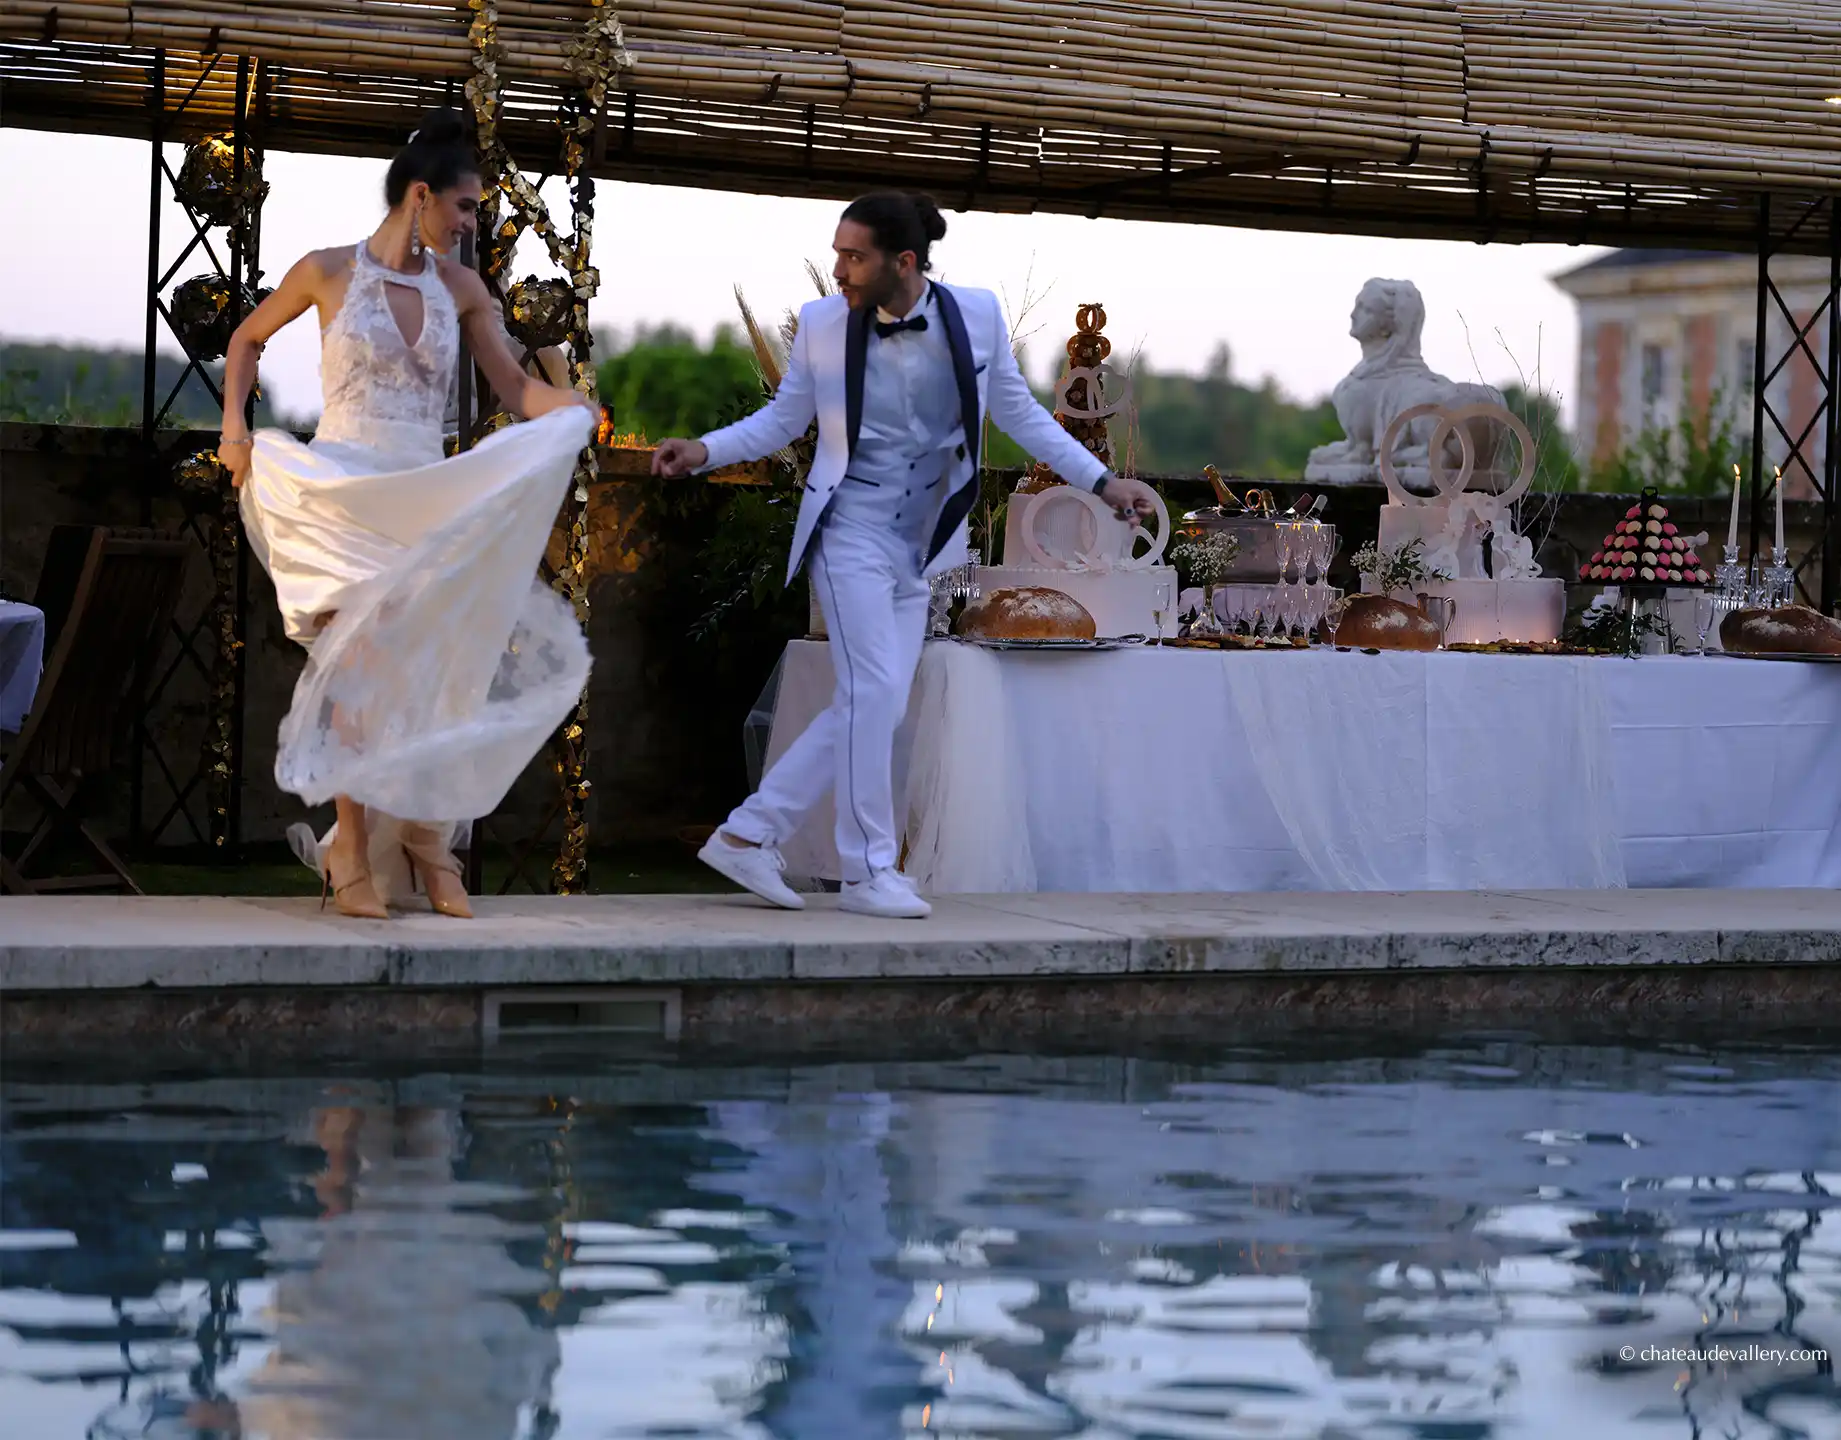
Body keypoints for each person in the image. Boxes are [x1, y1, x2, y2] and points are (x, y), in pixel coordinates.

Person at [653, 191, 1157, 920]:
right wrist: (704, 451)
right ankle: (866, 871)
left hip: (920, 544)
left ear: (905, 262)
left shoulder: (977, 315)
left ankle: (748, 833)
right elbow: (783, 419)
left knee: (878, 702)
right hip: (849, 532)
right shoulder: (824, 323)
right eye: (836, 253)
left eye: (853, 256)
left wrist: (1103, 482)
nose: (839, 269)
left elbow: (1018, 417)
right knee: (871, 692)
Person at [223, 109, 597, 921]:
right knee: (355, 673)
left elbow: (513, 388)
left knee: (430, 678)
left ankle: (429, 844)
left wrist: (571, 408)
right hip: (344, 494)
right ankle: (355, 850)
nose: (473, 223)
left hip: (421, 497)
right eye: (465, 207)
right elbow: (247, 340)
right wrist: (234, 430)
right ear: (421, 196)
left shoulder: (462, 287)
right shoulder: (324, 270)